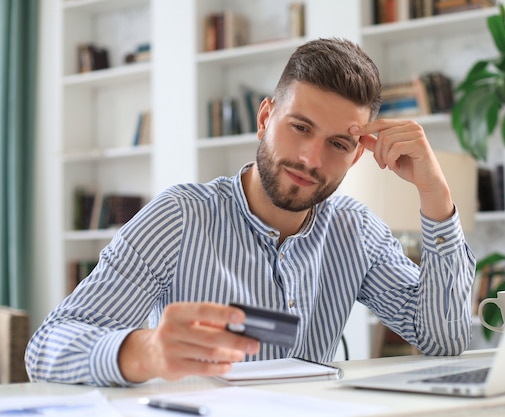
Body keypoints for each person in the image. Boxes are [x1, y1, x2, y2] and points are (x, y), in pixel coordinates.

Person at [26, 37, 476, 387]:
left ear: (356, 156)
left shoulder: (356, 232)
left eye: (338, 144)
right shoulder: (180, 217)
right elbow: (46, 349)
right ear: (265, 118)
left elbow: (445, 338)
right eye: (300, 127)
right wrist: (146, 351)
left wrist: (434, 192)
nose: (310, 159)